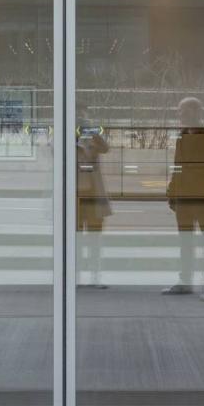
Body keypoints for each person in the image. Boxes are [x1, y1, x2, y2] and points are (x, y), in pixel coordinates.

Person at [163, 96, 204, 302]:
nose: (179, 114)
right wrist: (172, 193)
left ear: (196, 112)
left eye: (183, 110)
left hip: (203, 199)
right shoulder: (182, 136)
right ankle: (185, 281)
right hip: (184, 199)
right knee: (186, 242)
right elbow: (177, 167)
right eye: (179, 110)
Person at [76, 119, 112, 288]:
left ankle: (95, 276)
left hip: (94, 195)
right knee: (74, 240)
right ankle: (75, 276)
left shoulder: (93, 140)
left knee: (95, 240)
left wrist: (94, 133)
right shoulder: (67, 138)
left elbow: (106, 148)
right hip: (75, 197)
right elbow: (54, 151)